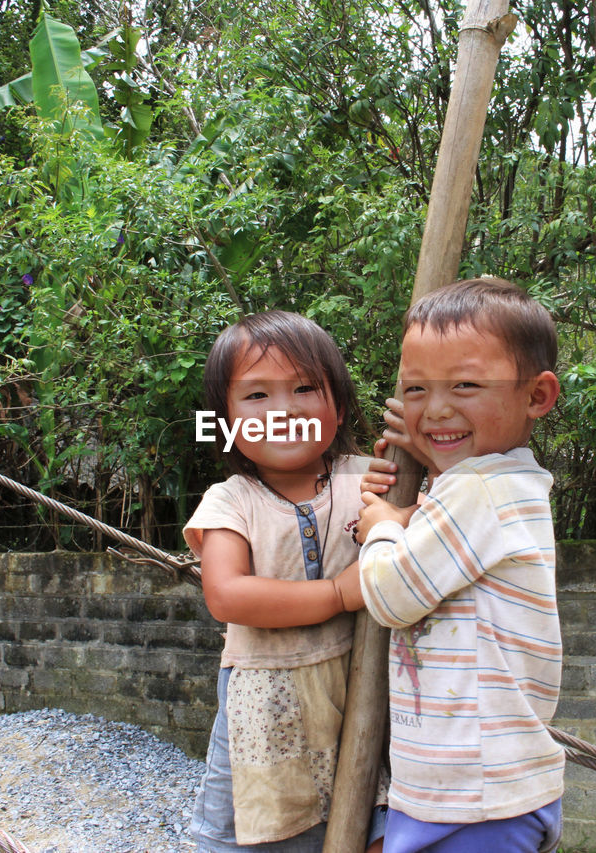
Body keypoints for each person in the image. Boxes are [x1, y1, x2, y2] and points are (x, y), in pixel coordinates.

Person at [353, 278, 566, 853]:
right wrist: (427, 470)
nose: (437, 408)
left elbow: (393, 593)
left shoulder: (481, 495)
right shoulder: (500, 489)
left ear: (537, 397)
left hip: (473, 799)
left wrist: (380, 529)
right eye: (416, 389)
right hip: (470, 791)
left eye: (467, 384)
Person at [183, 311, 383, 852]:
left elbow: (427, 517)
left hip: (361, 687)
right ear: (223, 421)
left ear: (338, 409)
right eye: (255, 396)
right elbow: (227, 594)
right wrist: (337, 593)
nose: (284, 410)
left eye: (304, 388)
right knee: (255, 829)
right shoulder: (231, 501)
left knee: (373, 822)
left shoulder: (367, 479)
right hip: (263, 705)